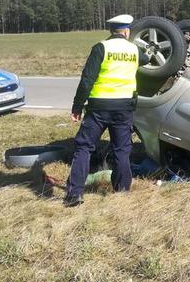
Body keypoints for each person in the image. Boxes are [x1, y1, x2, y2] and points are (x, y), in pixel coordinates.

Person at [64, 14, 150, 207]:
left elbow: (87, 80)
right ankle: (122, 192)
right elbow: (147, 58)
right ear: (126, 31)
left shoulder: (100, 48)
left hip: (98, 109)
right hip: (124, 108)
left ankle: (75, 194)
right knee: (121, 150)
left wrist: (77, 107)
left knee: (84, 147)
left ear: (111, 31)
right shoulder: (134, 50)